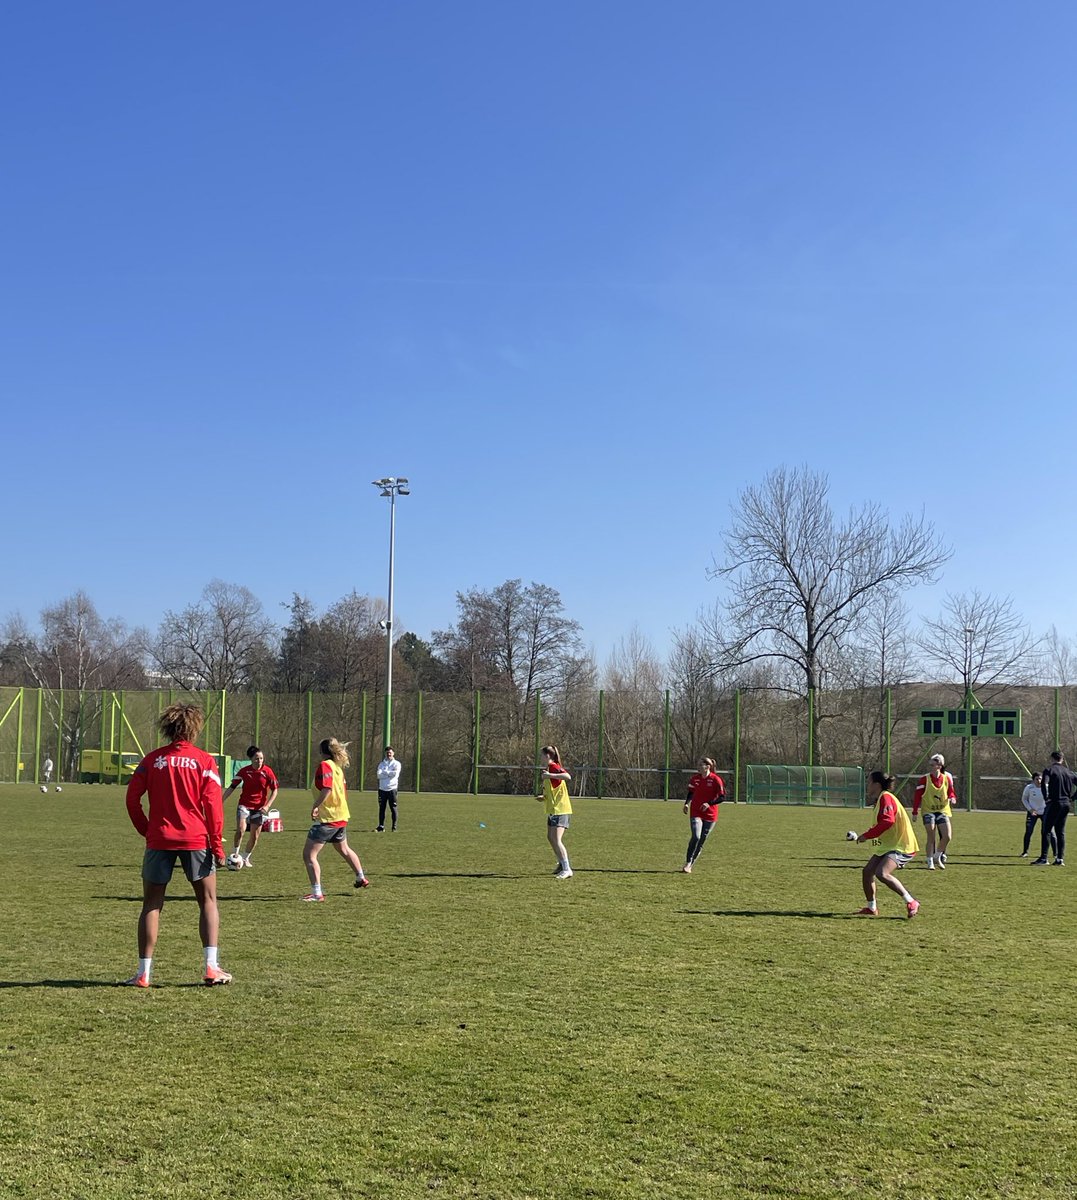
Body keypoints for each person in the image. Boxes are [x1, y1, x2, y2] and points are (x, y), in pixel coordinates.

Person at [122, 703, 231, 986]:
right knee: (207, 901)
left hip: (159, 838)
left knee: (151, 905)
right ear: (194, 729)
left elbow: (132, 799)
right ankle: (210, 967)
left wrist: (146, 829)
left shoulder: (151, 760)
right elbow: (213, 806)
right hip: (196, 839)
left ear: (168, 728)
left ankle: (143, 973)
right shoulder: (204, 761)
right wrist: (217, 844)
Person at [302, 737, 370, 900]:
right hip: (341, 816)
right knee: (343, 849)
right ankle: (360, 877)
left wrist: (316, 806)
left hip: (328, 818)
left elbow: (326, 788)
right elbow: (343, 792)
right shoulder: (337, 767)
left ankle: (317, 893)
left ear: (321, 752)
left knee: (309, 855)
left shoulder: (325, 766)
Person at [849, 770, 921, 918]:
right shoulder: (881, 798)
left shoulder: (886, 798)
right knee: (867, 872)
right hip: (889, 845)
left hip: (901, 845)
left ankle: (911, 901)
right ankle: (871, 908)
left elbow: (888, 821)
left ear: (877, 784)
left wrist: (867, 835)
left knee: (882, 873)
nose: (867, 785)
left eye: (869, 782)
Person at [222, 745, 279, 867]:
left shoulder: (267, 772)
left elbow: (275, 790)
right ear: (251, 759)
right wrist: (221, 800)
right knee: (241, 830)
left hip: (260, 808)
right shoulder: (244, 771)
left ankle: (246, 857)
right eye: (257, 759)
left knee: (255, 836)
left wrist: (267, 806)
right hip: (244, 805)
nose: (260, 761)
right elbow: (232, 787)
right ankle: (236, 854)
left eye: (261, 758)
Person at [681, 757, 727, 873]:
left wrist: (709, 804)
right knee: (696, 836)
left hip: (710, 815)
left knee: (701, 840)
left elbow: (722, 797)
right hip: (696, 812)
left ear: (707, 766)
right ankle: (688, 861)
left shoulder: (716, 780)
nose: (698, 767)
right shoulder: (695, 779)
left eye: (700, 765)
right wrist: (687, 804)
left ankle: (690, 865)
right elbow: (691, 793)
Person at [912, 753, 956, 870]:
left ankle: (938, 855)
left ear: (939, 766)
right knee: (931, 836)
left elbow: (951, 791)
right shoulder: (924, 779)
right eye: (930, 765)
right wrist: (915, 812)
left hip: (942, 810)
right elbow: (917, 796)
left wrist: (952, 797)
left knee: (947, 836)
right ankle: (930, 860)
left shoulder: (946, 778)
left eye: (933, 765)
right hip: (928, 811)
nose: (930, 767)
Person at [535, 744, 573, 879]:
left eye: (541, 755)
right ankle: (562, 865)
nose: (540, 758)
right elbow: (554, 790)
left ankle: (567, 869)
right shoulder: (548, 769)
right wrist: (544, 797)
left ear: (547, 756)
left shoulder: (553, 767)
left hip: (560, 810)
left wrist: (550, 775)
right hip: (553, 809)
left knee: (556, 840)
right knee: (550, 838)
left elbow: (567, 776)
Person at [1033, 749, 1072, 867]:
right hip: (1066, 803)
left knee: (1046, 830)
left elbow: (1045, 784)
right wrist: (1072, 798)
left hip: (1054, 802)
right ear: (1062, 759)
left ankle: (1044, 858)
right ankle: (1060, 859)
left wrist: (1046, 798)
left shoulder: (1049, 770)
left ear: (1052, 759)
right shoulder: (1068, 772)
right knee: (1061, 832)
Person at [1020, 772, 1055, 859]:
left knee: (1051, 832)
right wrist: (1030, 809)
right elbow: (1024, 799)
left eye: (1040, 779)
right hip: (1033, 813)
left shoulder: (1047, 787)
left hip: (1045, 813)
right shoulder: (1029, 788)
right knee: (1029, 831)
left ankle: (1056, 853)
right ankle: (1025, 852)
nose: (1039, 781)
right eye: (1037, 779)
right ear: (1033, 780)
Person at [375, 745, 402, 832]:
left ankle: (394, 827)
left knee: (393, 808)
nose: (389, 754)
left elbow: (395, 774)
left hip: (392, 789)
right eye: (387, 753)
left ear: (393, 753)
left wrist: (385, 773)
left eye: (390, 752)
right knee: (382, 808)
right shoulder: (381, 764)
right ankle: (381, 826)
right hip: (382, 789)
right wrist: (389, 773)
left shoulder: (397, 763)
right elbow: (378, 775)